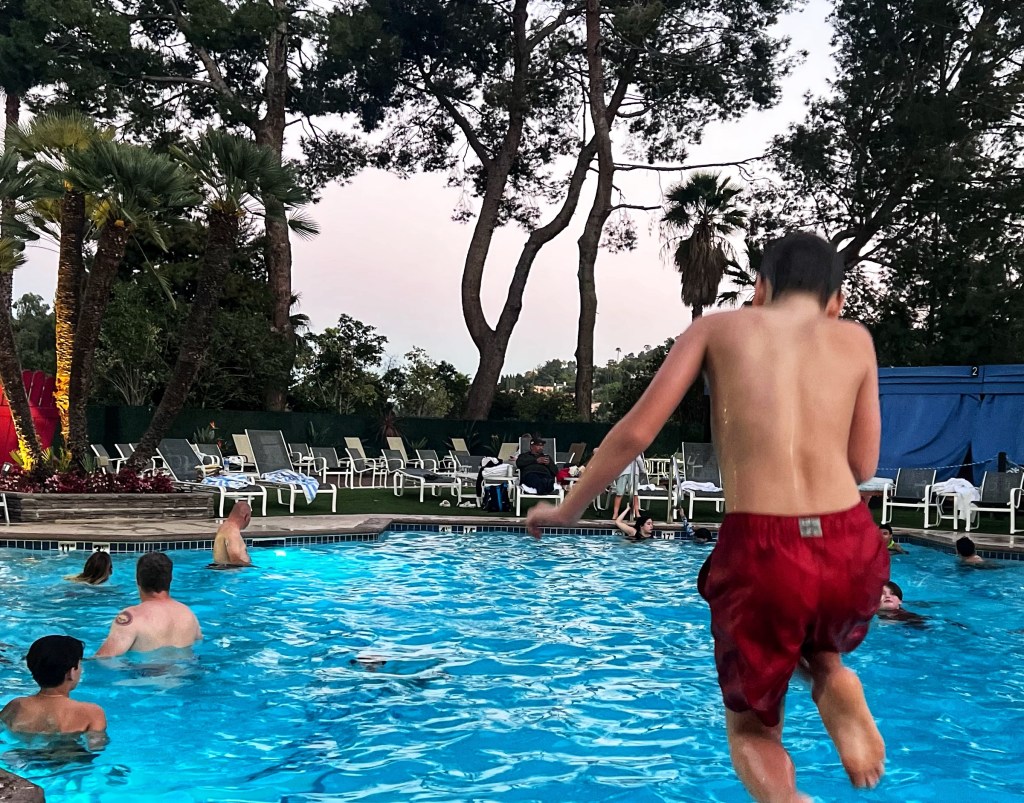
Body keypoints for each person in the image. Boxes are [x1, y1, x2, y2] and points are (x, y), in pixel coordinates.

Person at [527, 231, 889, 800]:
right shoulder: (855, 340)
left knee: (752, 729)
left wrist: (568, 507)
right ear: (836, 300)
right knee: (816, 636)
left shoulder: (717, 328)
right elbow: (863, 462)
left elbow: (636, 434)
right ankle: (833, 676)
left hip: (765, 547)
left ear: (761, 289)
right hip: (850, 541)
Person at [95, 552, 202, 658]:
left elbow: (103, 659)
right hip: (185, 673)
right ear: (170, 579)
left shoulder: (131, 617)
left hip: (145, 674)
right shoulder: (188, 614)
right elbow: (199, 647)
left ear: (138, 581)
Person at [0, 635, 106, 735]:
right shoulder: (91, 713)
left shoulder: (15, 706)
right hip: (67, 753)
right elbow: (97, 746)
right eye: (79, 664)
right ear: (71, 672)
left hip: (21, 753)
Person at [211, 501, 253, 567]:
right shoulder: (233, 532)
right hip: (234, 575)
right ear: (246, 517)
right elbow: (235, 560)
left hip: (224, 572)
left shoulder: (224, 527)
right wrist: (255, 569)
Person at [611, 453, 645, 519]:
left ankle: (615, 514)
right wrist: (643, 470)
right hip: (631, 472)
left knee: (620, 493)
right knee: (634, 493)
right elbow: (639, 460)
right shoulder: (634, 449)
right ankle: (637, 513)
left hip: (624, 472)